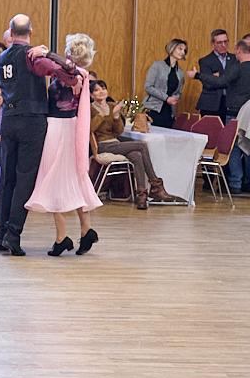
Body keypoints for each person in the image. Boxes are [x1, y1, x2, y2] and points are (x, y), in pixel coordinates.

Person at [0, 14, 81, 257]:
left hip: (8, 120)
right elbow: (68, 74)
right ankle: (13, 234)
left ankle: (1, 234)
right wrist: (48, 54)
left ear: (11, 32)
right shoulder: (33, 56)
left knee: (7, 179)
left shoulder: (1, 58)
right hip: (31, 121)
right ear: (30, 30)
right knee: (24, 179)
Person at [24, 34, 102, 256]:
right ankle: (85, 230)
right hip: (67, 127)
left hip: (60, 128)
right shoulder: (77, 73)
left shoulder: (76, 74)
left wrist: (46, 53)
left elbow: (66, 67)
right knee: (70, 179)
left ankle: (62, 238)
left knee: (55, 179)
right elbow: (64, 67)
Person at [92, 79, 176, 208]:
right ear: (92, 95)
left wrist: (115, 117)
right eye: (97, 90)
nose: (101, 92)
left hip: (114, 142)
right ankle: (155, 186)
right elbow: (89, 129)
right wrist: (102, 115)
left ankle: (141, 196)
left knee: (136, 155)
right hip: (102, 145)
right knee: (141, 145)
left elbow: (118, 131)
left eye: (103, 88)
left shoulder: (111, 105)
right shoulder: (90, 109)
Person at [187, 38, 250, 193]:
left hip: (235, 112)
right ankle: (248, 182)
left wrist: (198, 76)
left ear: (239, 51)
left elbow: (220, 81)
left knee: (233, 147)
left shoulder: (238, 68)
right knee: (248, 146)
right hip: (249, 112)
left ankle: (235, 183)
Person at [144, 38, 188, 128]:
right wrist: (166, 98)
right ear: (172, 48)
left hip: (169, 111)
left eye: (184, 50)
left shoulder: (180, 72)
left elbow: (179, 92)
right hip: (153, 109)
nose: (183, 52)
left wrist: (175, 98)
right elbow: (148, 87)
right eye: (180, 49)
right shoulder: (157, 65)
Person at [195, 29, 236, 121]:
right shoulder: (205, 61)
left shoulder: (235, 59)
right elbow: (208, 84)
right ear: (213, 44)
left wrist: (217, 77)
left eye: (226, 42)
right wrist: (227, 78)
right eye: (219, 42)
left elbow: (237, 81)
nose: (223, 45)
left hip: (231, 104)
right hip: (211, 105)